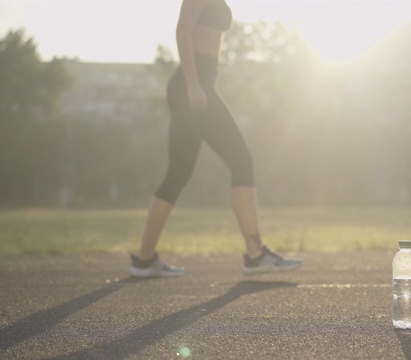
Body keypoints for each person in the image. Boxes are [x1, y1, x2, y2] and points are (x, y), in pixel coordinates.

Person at [129, 0, 302, 277]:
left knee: (179, 173)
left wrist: (201, 85)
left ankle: (144, 260)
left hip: (197, 84)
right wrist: (195, 85)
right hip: (192, 85)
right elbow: (182, 32)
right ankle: (256, 255)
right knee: (241, 160)